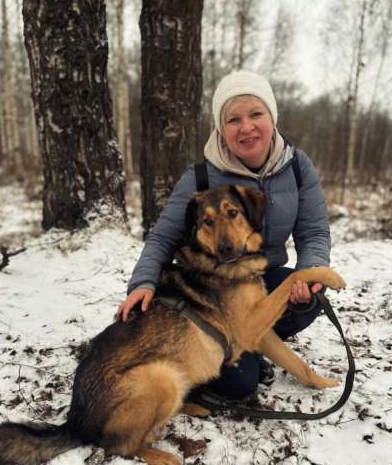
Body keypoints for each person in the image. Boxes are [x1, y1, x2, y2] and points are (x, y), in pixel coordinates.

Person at [116, 70, 331, 401]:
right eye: (233, 119)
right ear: (220, 127)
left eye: (256, 114)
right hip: (211, 290)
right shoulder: (200, 178)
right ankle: (218, 363)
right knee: (239, 386)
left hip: (261, 275)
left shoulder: (298, 166)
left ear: (271, 117)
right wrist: (143, 283)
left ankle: (250, 344)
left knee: (307, 303)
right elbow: (162, 237)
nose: (246, 127)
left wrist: (310, 271)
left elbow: (313, 231)